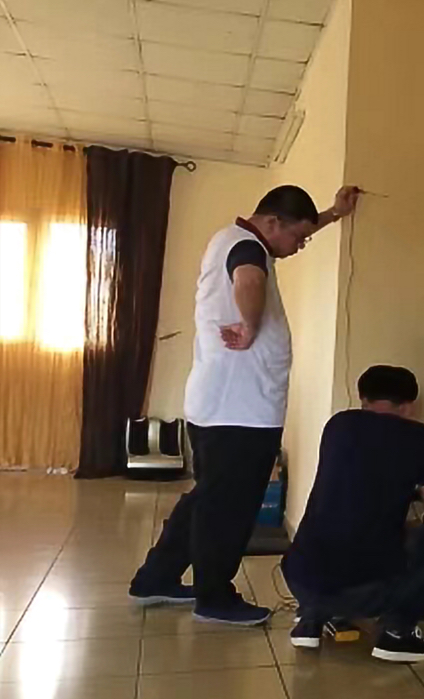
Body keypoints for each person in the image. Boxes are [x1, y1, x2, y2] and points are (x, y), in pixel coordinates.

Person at [129, 184, 360, 626]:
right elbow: (250, 280)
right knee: (227, 509)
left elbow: (280, 241)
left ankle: (155, 577)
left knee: (207, 499)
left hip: (223, 406)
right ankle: (215, 597)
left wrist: (333, 213)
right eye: (299, 237)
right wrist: (250, 325)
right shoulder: (246, 248)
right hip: (240, 411)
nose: (300, 246)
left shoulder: (235, 239)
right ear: (272, 223)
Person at [281, 365, 424, 662]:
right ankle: (398, 634)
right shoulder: (421, 437)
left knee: (341, 534)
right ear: (408, 406)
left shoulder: (338, 425)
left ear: (363, 399)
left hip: (299, 576)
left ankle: (312, 616)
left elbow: (357, 490)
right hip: (364, 585)